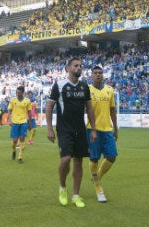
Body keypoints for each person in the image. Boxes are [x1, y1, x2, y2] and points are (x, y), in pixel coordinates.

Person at [46, 57, 96, 208]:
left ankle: (75, 195)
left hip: (80, 129)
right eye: (75, 65)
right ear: (68, 68)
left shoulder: (84, 87)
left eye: (80, 65)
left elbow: (89, 108)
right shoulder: (59, 85)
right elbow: (49, 107)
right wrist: (49, 128)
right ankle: (62, 187)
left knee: (78, 161)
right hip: (64, 129)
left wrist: (93, 129)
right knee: (66, 159)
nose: (79, 68)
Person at [86, 65, 118, 203]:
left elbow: (112, 110)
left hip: (107, 129)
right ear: (91, 75)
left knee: (111, 157)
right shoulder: (87, 90)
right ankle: (99, 189)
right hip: (92, 129)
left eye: (100, 73)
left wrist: (116, 127)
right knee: (94, 159)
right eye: (95, 73)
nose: (98, 75)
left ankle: (96, 178)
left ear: (103, 75)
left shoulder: (109, 90)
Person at [8, 85, 31, 163]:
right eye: (16, 92)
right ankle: (14, 150)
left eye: (19, 92)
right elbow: (9, 110)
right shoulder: (12, 100)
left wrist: (30, 123)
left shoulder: (27, 101)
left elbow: (29, 112)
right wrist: (10, 119)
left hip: (23, 122)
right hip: (15, 122)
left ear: (22, 92)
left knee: (22, 138)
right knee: (14, 141)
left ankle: (20, 157)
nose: (17, 93)